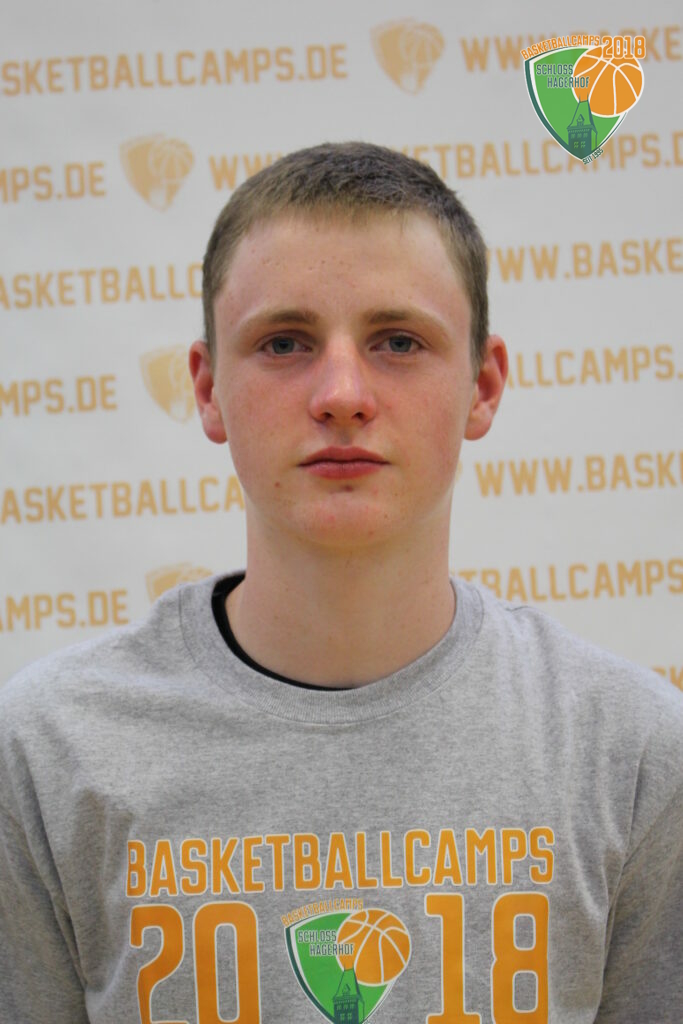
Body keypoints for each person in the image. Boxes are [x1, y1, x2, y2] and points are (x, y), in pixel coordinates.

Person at [0, 142, 680, 1024]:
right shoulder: (46, 751)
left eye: (398, 341)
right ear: (206, 389)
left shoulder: (631, 751)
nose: (342, 393)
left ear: (482, 385)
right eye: (283, 343)